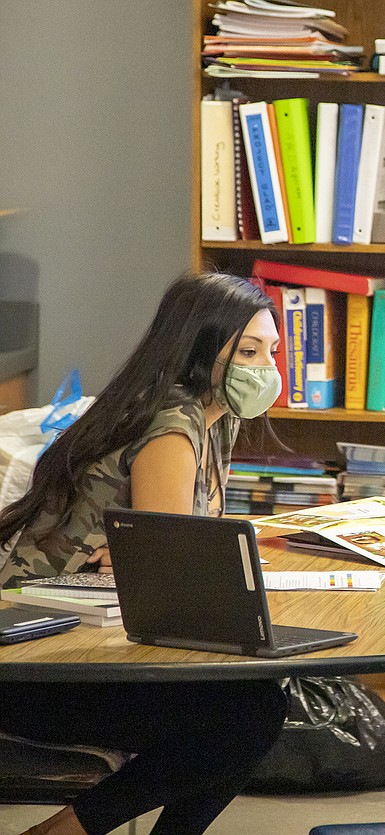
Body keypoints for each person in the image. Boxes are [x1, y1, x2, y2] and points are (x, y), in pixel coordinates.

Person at [0, 272, 289, 835]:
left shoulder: (211, 417)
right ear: (203, 350)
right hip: (41, 664)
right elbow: (173, 584)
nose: (266, 368)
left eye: (271, 351)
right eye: (249, 351)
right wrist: (165, 561)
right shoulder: (170, 426)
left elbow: (172, 555)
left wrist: (158, 558)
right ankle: (64, 832)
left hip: (87, 642)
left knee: (252, 706)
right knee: (250, 717)